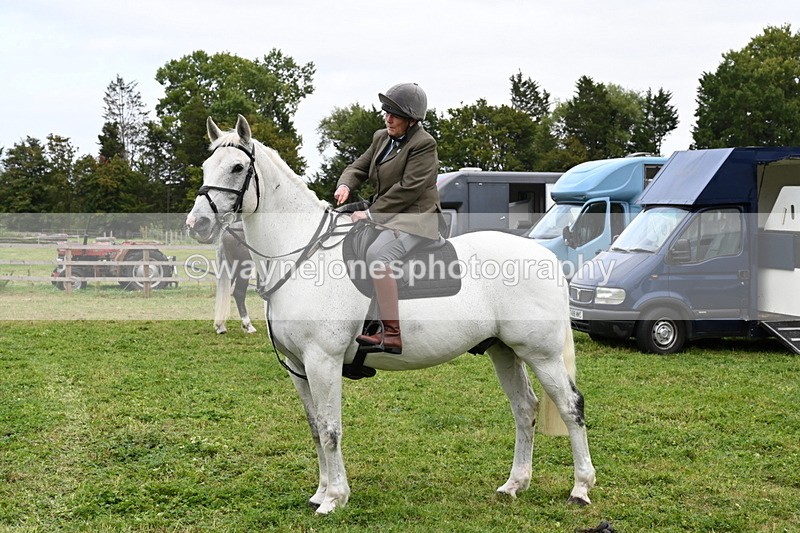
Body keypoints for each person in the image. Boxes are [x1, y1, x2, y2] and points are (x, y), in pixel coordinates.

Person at [334, 82, 444, 355]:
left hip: (416, 218)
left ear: (412, 119)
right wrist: (346, 184)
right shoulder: (381, 137)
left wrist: (370, 214)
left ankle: (391, 333)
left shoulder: (424, 144)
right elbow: (358, 166)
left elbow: (409, 189)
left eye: (394, 114)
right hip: (387, 213)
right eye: (386, 111)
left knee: (378, 256)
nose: (388, 117)